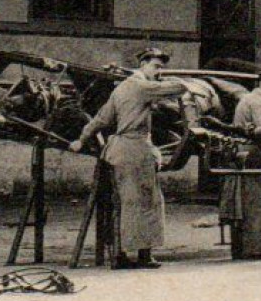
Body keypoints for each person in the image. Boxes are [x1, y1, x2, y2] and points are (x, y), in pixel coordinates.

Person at [69, 46, 191, 270]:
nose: (159, 71)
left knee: (127, 203)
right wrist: (170, 78)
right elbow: (181, 88)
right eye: (155, 66)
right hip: (136, 151)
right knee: (148, 203)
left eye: (161, 67)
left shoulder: (121, 89)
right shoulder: (142, 86)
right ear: (142, 65)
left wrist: (81, 138)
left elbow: (100, 119)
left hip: (118, 153)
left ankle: (121, 254)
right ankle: (142, 255)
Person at [222, 69, 261, 260]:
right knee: (260, 202)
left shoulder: (249, 99)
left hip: (244, 151)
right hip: (254, 153)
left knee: (248, 202)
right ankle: (258, 249)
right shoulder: (257, 102)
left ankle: (250, 248)